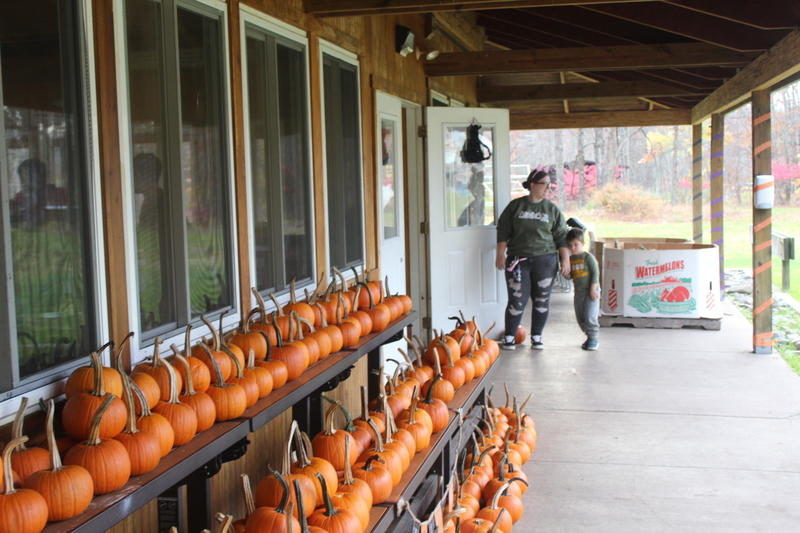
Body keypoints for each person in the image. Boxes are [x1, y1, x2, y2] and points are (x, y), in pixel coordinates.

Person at [496, 167, 570, 350]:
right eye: (544, 184)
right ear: (532, 185)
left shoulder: (551, 209)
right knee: (516, 300)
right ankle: (510, 337)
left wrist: (565, 260)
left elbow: (561, 236)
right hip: (518, 261)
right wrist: (500, 254)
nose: (548, 189)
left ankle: (537, 336)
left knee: (541, 299)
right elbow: (503, 231)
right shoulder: (516, 206)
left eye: (549, 185)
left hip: (545, 260)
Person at [566, 228, 600, 351]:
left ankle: (594, 338)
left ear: (583, 244)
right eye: (570, 245)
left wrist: (593, 288)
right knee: (580, 317)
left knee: (590, 315)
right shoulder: (570, 260)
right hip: (579, 292)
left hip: (591, 290)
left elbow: (595, 273)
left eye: (576, 244)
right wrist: (564, 272)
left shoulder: (588, 258)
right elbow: (570, 276)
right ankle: (589, 337)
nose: (573, 248)